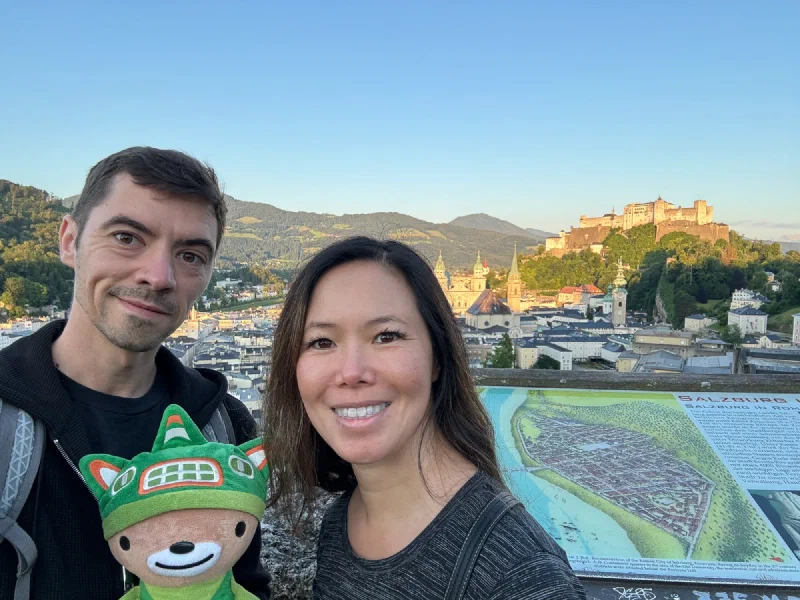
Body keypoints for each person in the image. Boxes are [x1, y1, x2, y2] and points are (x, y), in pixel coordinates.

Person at [0, 147, 270, 599]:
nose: (159, 275)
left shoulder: (223, 426)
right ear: (69, 240)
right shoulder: (8, 425)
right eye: (127, 237)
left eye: (190, 255)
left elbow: (242, 584)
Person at [263, 236, 586, 599]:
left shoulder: (520, 578)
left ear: (437, 356)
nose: (351, 372)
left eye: (386, 336)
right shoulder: (343, 519)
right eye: (322, 342)